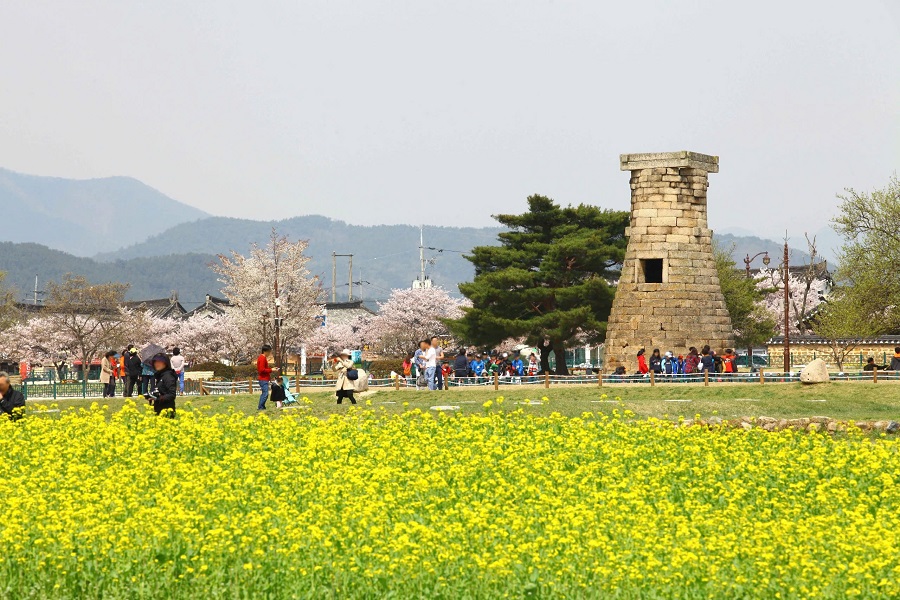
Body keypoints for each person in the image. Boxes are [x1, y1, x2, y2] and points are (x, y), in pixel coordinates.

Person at [256, 344, 279, 411]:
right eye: (269, 352)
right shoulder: (262, 358)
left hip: (264, 378)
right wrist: (271, 370)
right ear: (265, 351)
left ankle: (262, 406)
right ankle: (260, 407)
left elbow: (264, 368)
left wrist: (272, 369)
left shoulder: (262, 358)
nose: (269, 353)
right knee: (265, 393)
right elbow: (262, 370)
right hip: (263, 379)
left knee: (265, 393)